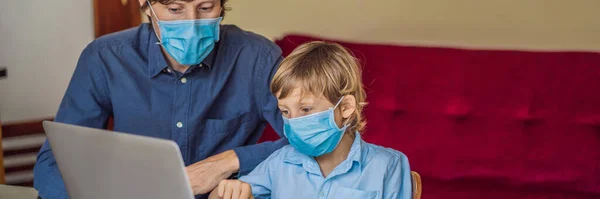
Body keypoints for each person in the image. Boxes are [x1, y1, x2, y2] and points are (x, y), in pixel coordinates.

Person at [33, 0, 286, 198]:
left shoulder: (258, 59)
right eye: (175, 9)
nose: (192, 23)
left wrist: (230, 161)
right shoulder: (104, 58)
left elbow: (314, 143)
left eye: (206, 7)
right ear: (146, 4)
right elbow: (54, 162)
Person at [210, 41, 412, 199]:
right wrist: (225, 192)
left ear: (345, 107)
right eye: (285, 112)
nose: (294, 122)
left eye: (305, 109)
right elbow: (221, 196)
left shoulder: (389, 165)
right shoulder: (280, 162)